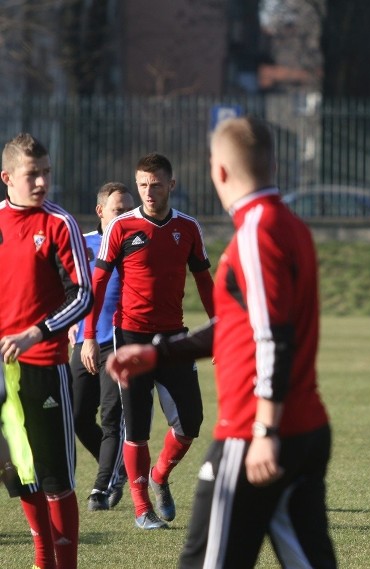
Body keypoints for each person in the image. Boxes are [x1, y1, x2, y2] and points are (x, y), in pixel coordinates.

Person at [106, 116, 337, 567]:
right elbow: (239, 324)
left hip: (254, 433)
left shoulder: (256, 233)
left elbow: (272, 337)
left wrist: (265, 430)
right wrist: (158, 352)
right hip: (306, 429)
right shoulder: (294, 227)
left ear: (221, 171)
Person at [82, 153, 215, 530]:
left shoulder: (187, 228)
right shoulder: (121, 227)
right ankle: (142, 509)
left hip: (174, 339)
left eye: (156, 184)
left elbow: (205, 281)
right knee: (136, 426)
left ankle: (159, 476)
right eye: (142, 184)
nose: (148, 191)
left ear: (171, 185)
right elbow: (98, 284)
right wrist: (91, 336)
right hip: (129, 337)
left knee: (191, 422)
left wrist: (221, 328)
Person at [0, 132, 93, 569]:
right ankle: (42, 559)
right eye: (31, 175)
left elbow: (83, 295)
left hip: (45, 366)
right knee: (20, 472)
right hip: (3, 376)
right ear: (7, 178)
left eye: (46, 173)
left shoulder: (60, 224)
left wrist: (35, 334)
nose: (41, 183)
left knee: (56, 478)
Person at [68, 182, 134, 511]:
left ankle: (101, 487)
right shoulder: (82, 244)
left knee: (112, 417)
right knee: (78, 416)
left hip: (120, 342)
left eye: (129, 210)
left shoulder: (138, 245)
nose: (126, 216)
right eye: (118, 210)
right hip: (84, 343)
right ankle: (117, 468)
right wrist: (69, 325)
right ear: (100, 212)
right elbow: (68, 288)